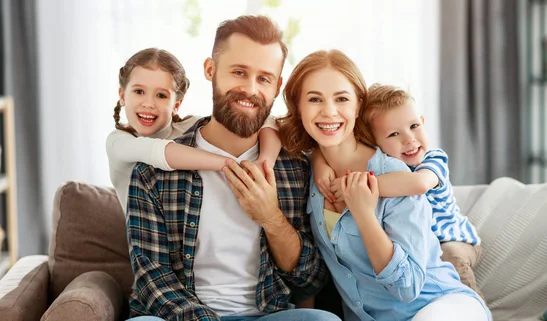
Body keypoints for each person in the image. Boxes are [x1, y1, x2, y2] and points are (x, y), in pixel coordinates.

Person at [125, 15, 339, 321]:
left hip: (265, 315)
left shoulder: (294, 169)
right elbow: (151, 279)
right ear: (210, 70)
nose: (250, 89)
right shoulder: (154, 169)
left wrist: (272, 219)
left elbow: (310, 280)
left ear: (277, 86)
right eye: (239, 72)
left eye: (264, 78)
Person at [278, 49, 491, 321]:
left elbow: (408, 287)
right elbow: (269, 128)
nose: (329, 111)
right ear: (298, 106)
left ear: (358, 104)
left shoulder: (395, 174)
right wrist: (318, 160)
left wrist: (365, 215)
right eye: (314, 99)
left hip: (439, 306)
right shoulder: (306, 170)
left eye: (341, 98)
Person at [312, 84, 484, 298]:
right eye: (393, 134)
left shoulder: (434, 159)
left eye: (413, 126)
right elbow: (318, 149)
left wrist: (360, 185)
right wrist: (320, 163)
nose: (409, 139)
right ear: (373, 143)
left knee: (452, 258)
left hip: (453, 239)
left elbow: (419, 184)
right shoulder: (384, 164)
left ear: (422, 121)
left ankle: (475, 304)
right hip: (417, 249)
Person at [105, 47, 282, 215]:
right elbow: (159, 151)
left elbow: (269, 120)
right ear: (122, 96)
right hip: (146, 236)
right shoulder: (118, 142)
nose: (149, 103)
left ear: (176, 105)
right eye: (139, 91)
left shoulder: (190, 127)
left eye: (161, 95)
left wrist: (265, 162)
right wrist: (231, 165)